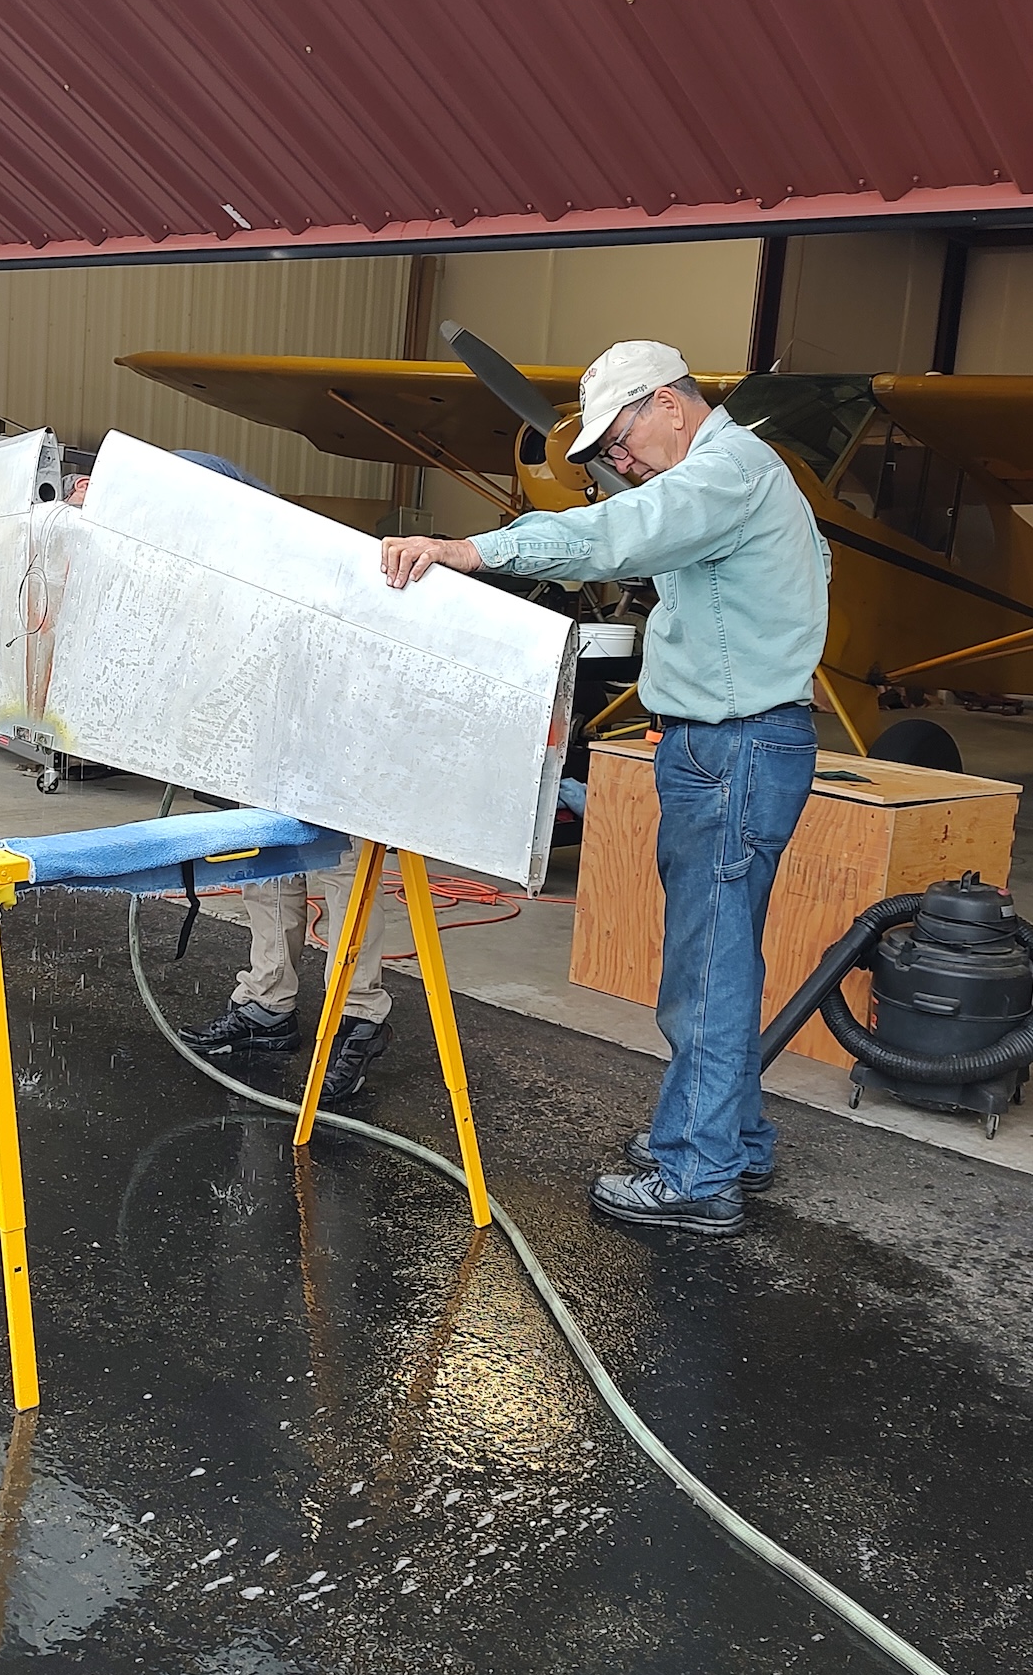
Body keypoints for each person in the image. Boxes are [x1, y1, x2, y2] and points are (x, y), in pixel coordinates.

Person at [380, 341, 829, 1236]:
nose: (619, 462)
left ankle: (697, 1171)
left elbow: (609, 535)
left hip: (732, 748)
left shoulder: (723, 473)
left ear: (669, 403)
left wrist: (471, 549)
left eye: (620, 440)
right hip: (739, 742)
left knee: (707, 963)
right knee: (723, 951)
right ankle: (730, 1137)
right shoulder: (746, 475)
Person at [69, 448, 396, 1104]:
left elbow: (205, 477)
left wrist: (113, 486)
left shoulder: (222, 508)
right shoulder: (168, 553)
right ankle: (268, 1005)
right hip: (263, 711)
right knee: (267, 856)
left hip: (329, 700)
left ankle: (359, 1016)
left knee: (340, 864)